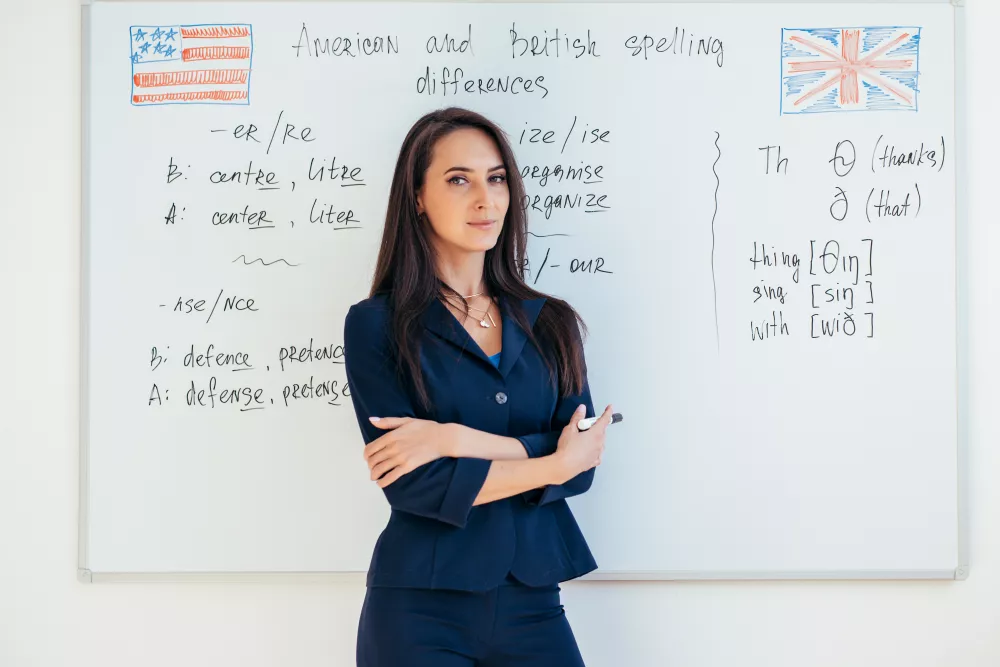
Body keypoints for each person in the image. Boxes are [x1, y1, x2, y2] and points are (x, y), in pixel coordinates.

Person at [344, 106, 614, 667]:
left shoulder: (552, 323)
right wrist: (551, 464)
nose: (484, 199)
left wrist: (448, 437)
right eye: (458, 180)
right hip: (418, 608)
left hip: (534, 602)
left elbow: (583, 464)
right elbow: (414, 484)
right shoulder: (375, 325)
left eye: (496, 179)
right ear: (417, 197)